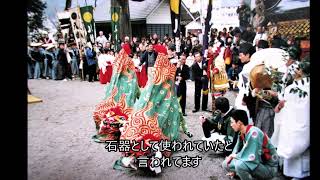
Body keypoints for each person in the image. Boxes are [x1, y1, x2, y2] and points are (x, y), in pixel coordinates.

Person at [275, 58, 310, 179]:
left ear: (300, 72)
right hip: (304, 125)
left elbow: (284, 102)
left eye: (296, 69)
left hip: (295, 124)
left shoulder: (293, 88)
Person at [222, 109, 279, 180]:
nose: (231, 125)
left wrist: (235, 156)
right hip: (257, 163)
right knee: (226, 163)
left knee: (240, 166)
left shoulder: (254, 133)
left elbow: (252, 158)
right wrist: (232, 157)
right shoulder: (242, 132)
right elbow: (236, 150)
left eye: (232, 122)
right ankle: (242, 174)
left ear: (239, 123)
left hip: (269, 168)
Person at [234, 42, 256, 123]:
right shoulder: (251, 65)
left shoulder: (248, 67)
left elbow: (247, 85)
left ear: (247, 55)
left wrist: (245, 98)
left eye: (241, 55)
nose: (239, 58)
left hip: (247, 98)